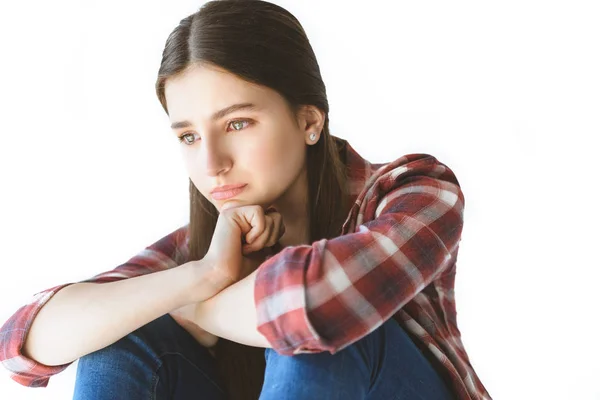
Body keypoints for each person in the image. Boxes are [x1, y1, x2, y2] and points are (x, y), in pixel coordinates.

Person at [0, 1, 491, 399]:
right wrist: (205, 275)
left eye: (237, 123)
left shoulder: (413, 191)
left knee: (315, 339)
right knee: (119, 337)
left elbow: (314, 305)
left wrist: (196, 309)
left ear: (308, 121)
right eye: (189, 137)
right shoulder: (211, 245)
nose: (211, 163)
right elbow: (22, 343)